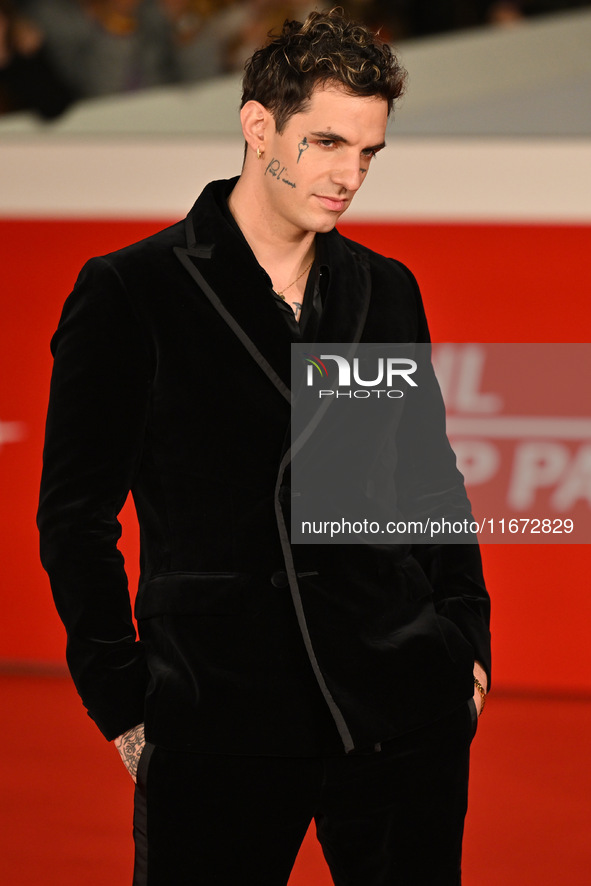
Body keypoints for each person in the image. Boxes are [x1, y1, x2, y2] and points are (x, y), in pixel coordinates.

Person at [37, 8, 491, 885]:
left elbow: (430, 483)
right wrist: (123, 701)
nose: (348, 175)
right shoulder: (132, 290)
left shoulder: (383, 288)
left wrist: (463, 644)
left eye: (367, 152)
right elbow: (76, 519)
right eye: (325, 143)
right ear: (257, 125)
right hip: (219, 716)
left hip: (402, 710)